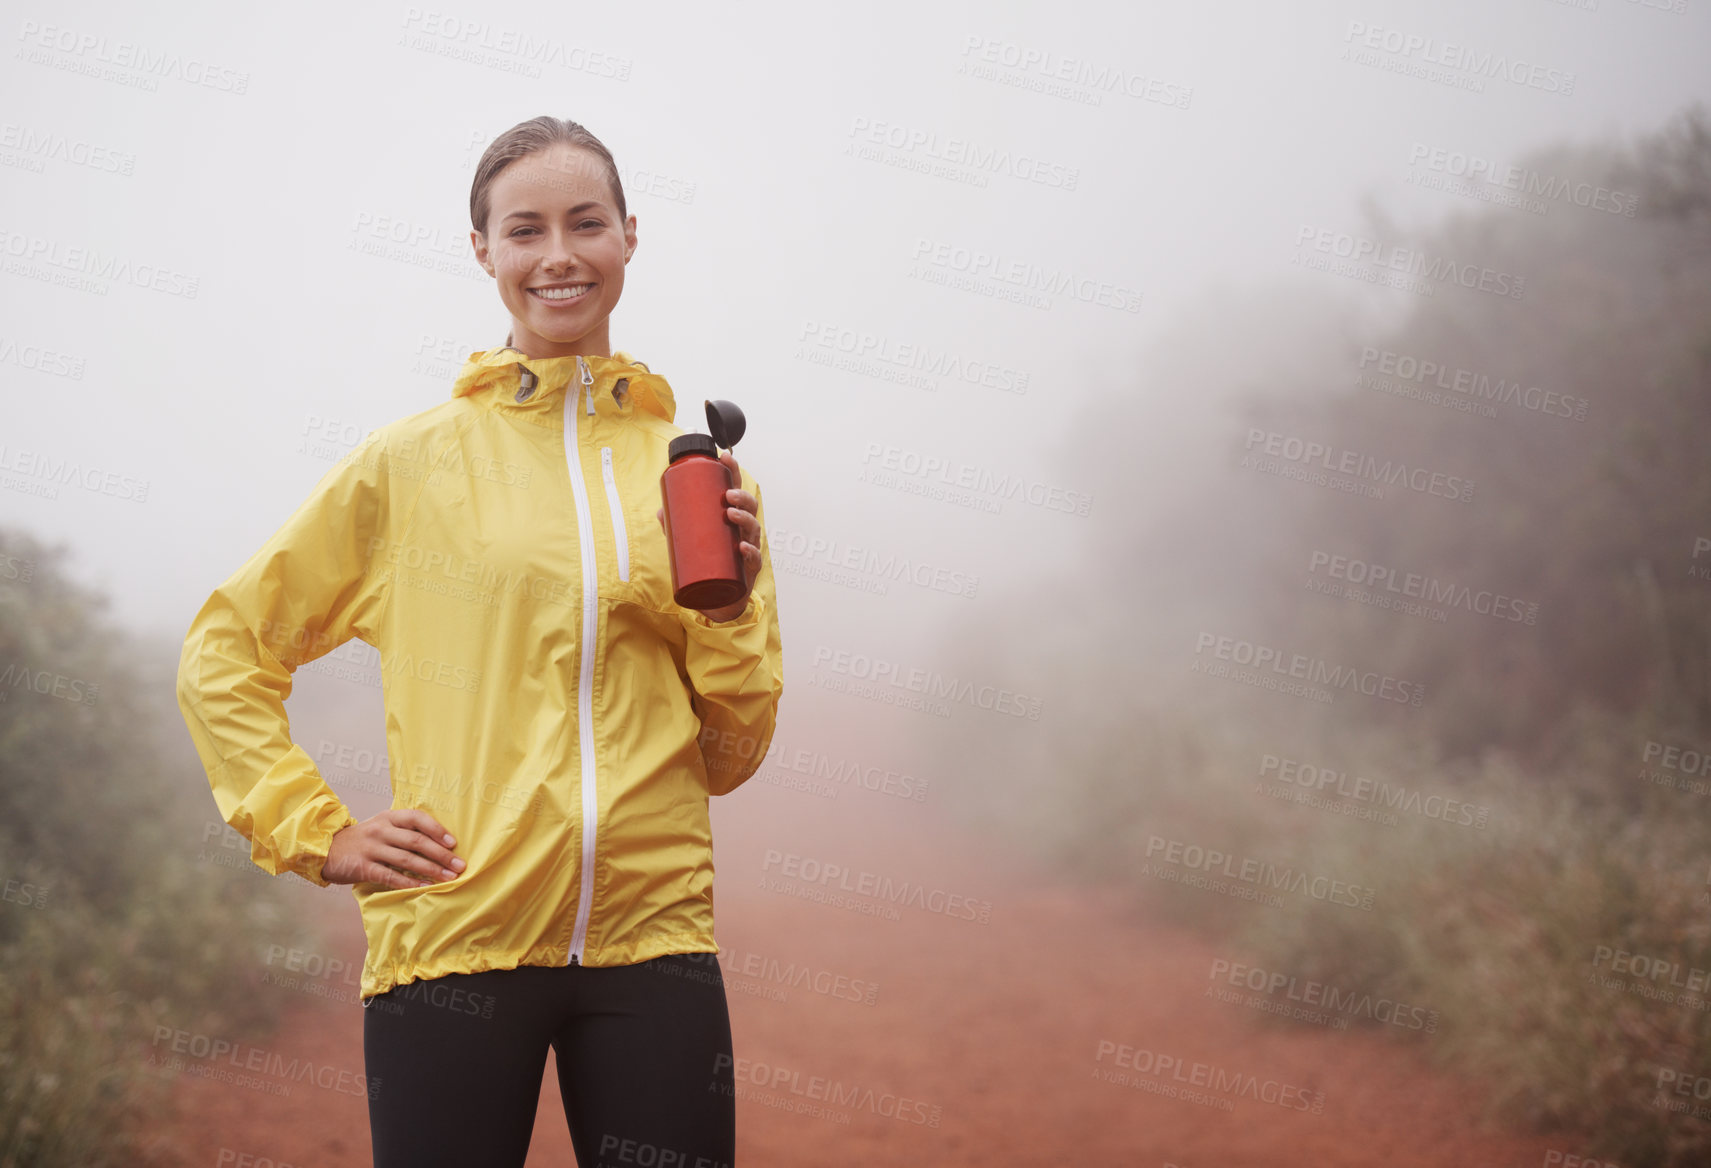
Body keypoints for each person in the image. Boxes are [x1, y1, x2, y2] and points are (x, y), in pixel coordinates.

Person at [175, 115, 784, 1168]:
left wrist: (730, 618)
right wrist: (317, 832)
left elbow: (727, 760)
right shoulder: (409, 464)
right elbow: (226, 650)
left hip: (657, 948)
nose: (558, 254)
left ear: (629, 236)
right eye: (525, 229)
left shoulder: (687, 476)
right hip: (450, 942)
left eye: (585, 222)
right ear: (484, 252)